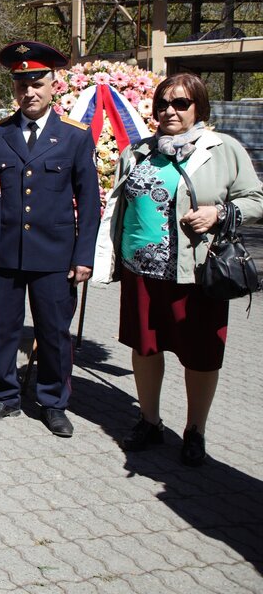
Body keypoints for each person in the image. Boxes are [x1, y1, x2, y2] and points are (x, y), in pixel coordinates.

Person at [93, 73, 263, 466]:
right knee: (145, 348)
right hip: (141, 272)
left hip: (197, 275)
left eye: (181, 103)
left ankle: (194, 431)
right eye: (163, 104)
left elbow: (255, 199)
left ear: (198, 108)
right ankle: (149, 420)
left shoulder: (223, 150)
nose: (170, 110)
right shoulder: (136, 152)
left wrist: (219, 213)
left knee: (201, 355)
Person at [0, 41, 100, 438]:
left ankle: (53, 402)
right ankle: (4, 395)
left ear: (53, 85)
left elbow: (90, 202)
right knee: (4, 330)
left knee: (53, 333)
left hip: (55, 255)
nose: (28, 91)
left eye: (36, 82)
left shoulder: (74, 137)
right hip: (6, 253)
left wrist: (84, 256)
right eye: (20, 83)